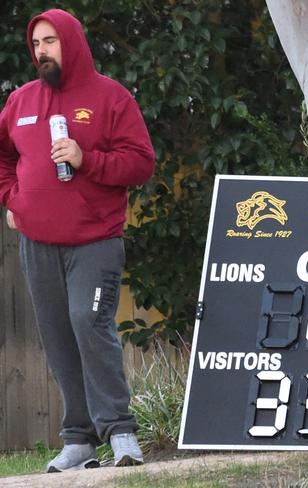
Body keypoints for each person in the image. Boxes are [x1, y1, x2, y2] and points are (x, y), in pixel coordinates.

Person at [0, 9, 155, 472]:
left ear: (71, 41)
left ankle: (121, 432)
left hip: (94, 241)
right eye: (36, 44)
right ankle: (79, 440)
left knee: (89, 324)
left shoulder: (110, 98)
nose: (42, 50)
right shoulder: (21, 102)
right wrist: (13, 198)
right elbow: (3, 158)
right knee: (58, 334)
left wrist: (87, 159)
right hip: (38, 243)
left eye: (50, 40)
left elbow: (140, 163)